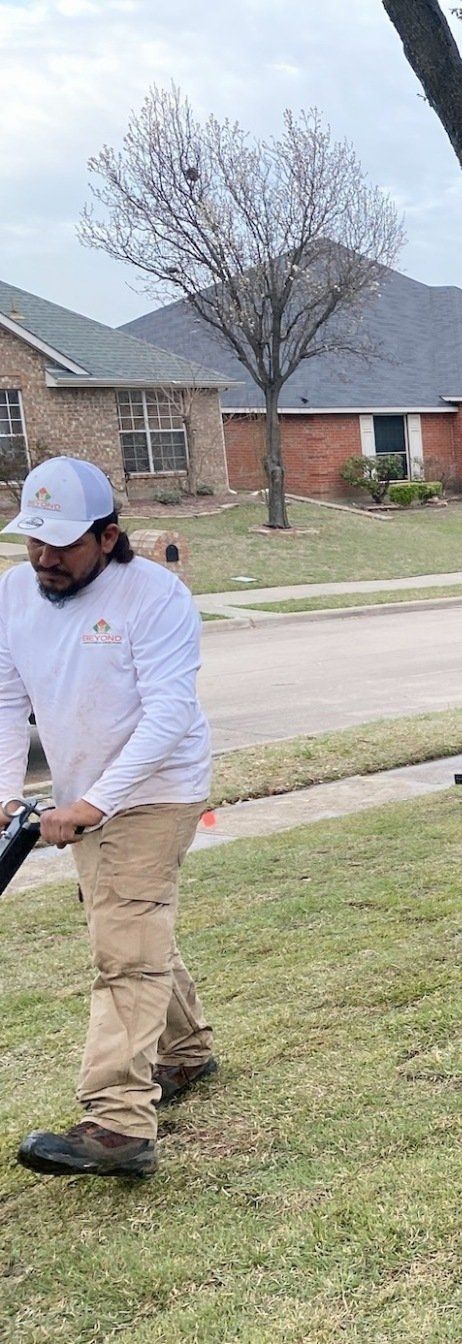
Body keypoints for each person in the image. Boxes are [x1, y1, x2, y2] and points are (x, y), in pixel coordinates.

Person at [0, 456, 216, 1178]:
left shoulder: (155, 598)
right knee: (127, 916)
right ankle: (185, 1053)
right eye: (34, 539)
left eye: (62, 544)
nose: (44, 557)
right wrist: (8, 791)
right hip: (82, 789)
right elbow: (6, 698)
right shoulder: (14, 593)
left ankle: (119, 1124)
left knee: (122, 943)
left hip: (156, 788)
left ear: (109, 536)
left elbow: (169, 715)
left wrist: (96, 801)